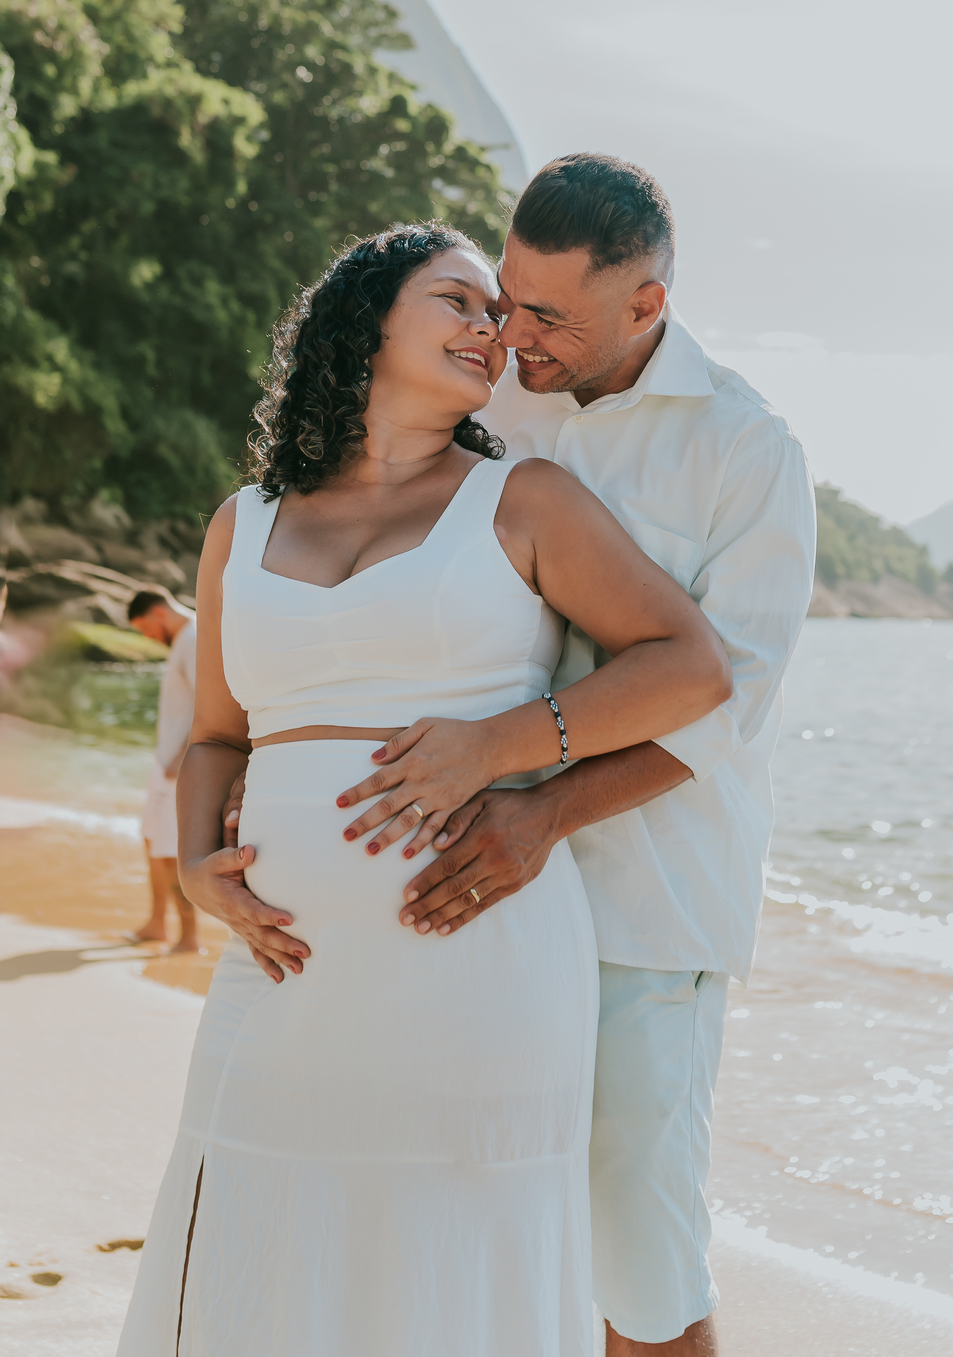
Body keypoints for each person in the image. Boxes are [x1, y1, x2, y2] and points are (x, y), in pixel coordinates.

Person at [227, 156, 817, 1356]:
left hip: (646, 904)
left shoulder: (747, 451)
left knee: (637, 1253)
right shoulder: (497, 402)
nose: (515, 333)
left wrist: (541, 807)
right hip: (463, 906)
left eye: (550, 316)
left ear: (647, 304)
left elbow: (724, 701)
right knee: (480, 1220)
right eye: (505, 299)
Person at [117, 222, 730, 1357]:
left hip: (476, 962)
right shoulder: (239, 523)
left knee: (453, 1260)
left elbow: (691, 664)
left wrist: (504, 744)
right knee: (254, 1227)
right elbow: (215, 733)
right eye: (459, 300)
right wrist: (202, 867)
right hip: (280, 966)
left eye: (497, 316)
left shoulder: (524, 500)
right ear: (368, 320)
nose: (491, 330)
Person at [127, 589, 199, 954]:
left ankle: (189, 936)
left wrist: (182, 756)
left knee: (170, 850)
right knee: (153, 840)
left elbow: (211, 703)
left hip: (178, 766)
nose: (147, 638)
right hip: (165, 762)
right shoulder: (184, 640)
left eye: (145, 629)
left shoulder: (193, 638)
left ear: (158, 613)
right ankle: (157, 924)